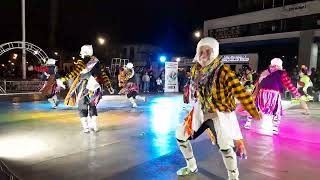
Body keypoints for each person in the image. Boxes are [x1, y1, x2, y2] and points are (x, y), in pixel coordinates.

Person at [175, 37, 260, 180]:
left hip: (219, 114)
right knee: (180, 136)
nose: (204, 55)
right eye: (201, 51)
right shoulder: (196, 68)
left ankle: (234, 177)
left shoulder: (224, 71)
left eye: (208, 51)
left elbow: (239, 91)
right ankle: (191, 166)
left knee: (226, 147)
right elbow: (195, 88)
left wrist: (253, 111)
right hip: (200, 111)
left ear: (215, 53)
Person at [57, 45, 114, 133]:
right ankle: (94, 126)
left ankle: (86, 127)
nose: (80, 53)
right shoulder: (97, 62)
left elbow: (74, 73)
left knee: (82, 106)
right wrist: (109, 87)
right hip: (95, 88)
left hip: (84, 87)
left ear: (84, 52)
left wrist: (63, 79)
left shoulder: (82, 62)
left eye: (82, 51)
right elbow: (104, 76)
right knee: (92, 106)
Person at [244, 58, 302, 134]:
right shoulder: (282, 73)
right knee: (277, 110)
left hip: (262, 93)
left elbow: (258, 83)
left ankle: (248, 123)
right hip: (274, 94)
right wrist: (297, 93)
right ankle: (275, 127)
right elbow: (289, 84)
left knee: (255, 107)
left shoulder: (265, 71)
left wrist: (253, 91)